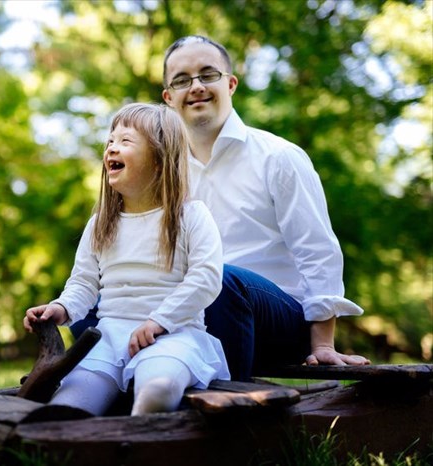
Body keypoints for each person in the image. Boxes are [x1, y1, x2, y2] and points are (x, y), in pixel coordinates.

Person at [158, 35, 371, 380]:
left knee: (219, 277)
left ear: (230, 84)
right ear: (169, 97)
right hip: (190, 311)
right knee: (96, 301)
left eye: (207, 75)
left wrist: (322, 345)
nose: (195, 86)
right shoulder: (163, 173)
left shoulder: (278, 157)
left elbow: (316, 249)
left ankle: (229, 411)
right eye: (182, 80)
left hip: (276, 318)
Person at [24, 102, 230, 416]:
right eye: (110, 141)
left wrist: (159, 322)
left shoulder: (191, 215)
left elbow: (206, 278)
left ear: (160, 159)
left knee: (158, 388)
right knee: (72, 401)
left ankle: (141, 434)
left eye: (125, 141)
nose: (111, 149)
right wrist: (61, 309)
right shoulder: (99, 224)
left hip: (173, 335)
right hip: (108, 338)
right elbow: (83, 283)